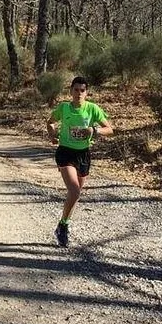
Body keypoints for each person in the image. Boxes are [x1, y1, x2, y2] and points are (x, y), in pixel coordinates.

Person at [46, 76, 113, 248]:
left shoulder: (92, 108)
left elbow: (110, 129)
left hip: (83, 155)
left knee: (75, 195)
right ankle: (63, 228)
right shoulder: (64, 108)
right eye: (76, 90)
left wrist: (94, 130)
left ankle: (63, 224)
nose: (79, 93)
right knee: (75, 191)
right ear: (71, 91)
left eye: (82, 90)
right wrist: (52, 135)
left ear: (86, 92)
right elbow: (51, 122)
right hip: (65, 152)